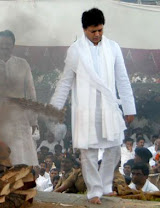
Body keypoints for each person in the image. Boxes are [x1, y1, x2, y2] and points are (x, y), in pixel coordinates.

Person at [49, 8, 136, 204]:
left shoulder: (113, 47)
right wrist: (55, 108)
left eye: (100, 30)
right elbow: (65, 81)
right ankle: (94, 191)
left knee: (114, 147)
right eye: (92, 31)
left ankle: (106, 186)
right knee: (88, 151)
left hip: (109, 106)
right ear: (84, 29)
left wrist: (129, 108)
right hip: (86, 109)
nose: (97, 35)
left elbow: (122, 79)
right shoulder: (75, 50)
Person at [0, 30, 38, 166]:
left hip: (19, 116)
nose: (5, 47)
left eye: (8, 44)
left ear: (13, 45)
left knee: (21, 157)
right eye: (2, 44)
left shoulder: (23, 64)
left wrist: (33, 120)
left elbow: (31, 93)